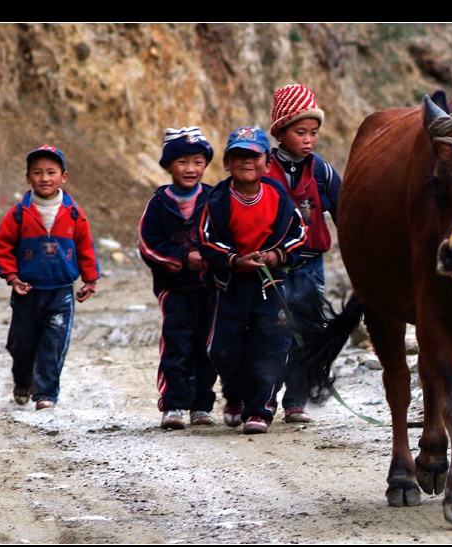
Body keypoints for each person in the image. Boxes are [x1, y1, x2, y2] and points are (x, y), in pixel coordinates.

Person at [199, 126, 307, 434]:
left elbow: (298, 234)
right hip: (230, 287)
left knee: (270, 346)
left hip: (269, 286)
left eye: (254, 156)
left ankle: (259, 409)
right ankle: (234, 396)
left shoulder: (277, 197)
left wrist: (277, 255)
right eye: (239, 156)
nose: (247, 162)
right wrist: (233, 259)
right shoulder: (218, 200)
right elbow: (205, 240)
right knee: (223, 350)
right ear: (227, 163)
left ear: (267, 162)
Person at [0, 144, 100, 410]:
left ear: (64, 176)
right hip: (27, 291)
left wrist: (90, 279)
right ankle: (22, 381)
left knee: (53, 343)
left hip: (61, 290)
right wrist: (12, 276)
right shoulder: (18, 213)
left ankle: (46, 395)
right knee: (21, 344)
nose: (44, 178)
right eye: (37, 172)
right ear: (27, 177)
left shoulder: (73, 212)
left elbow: (85, 247)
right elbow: (2, 246)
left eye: (51, 172)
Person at [266, 83, 341, 424]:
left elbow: (344, 210)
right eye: (300, 132)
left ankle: (295, 400)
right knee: (273, 331)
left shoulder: (322, 172)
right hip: (274, 267)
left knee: (306, 331)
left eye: (314, 132)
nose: (309, 139)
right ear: (280, 131)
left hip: (311, 264)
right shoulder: (263, 170)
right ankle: (263, 396)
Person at [138, 126, 218, 430]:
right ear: (169, 165)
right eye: (183, 162)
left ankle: (201, 406)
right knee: (176, 344)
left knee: (207, 347)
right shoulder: (159, 205)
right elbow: (148, 245)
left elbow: (225, 237)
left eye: (198, 162)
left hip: (209, 290)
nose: (191, 169)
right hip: (174, 290)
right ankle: (172, 405)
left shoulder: (213, 199)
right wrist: (184, 258)